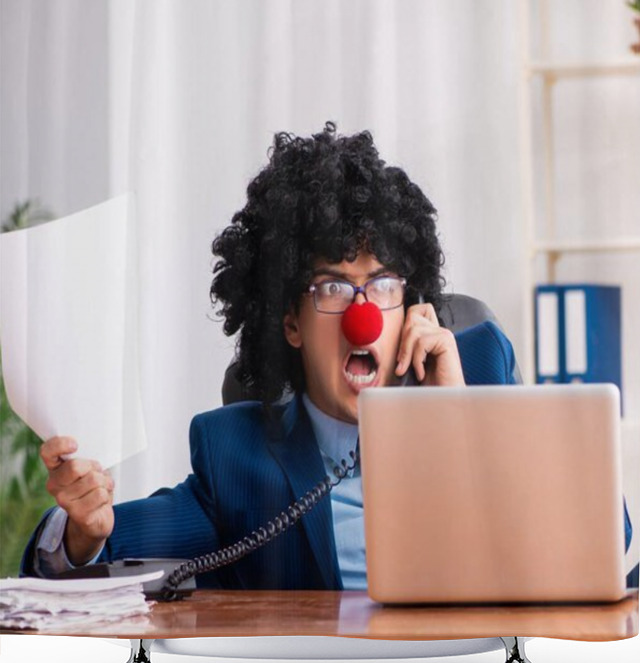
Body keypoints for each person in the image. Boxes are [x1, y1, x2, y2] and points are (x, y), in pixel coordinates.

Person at [20, 122, 540, 590]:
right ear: (291, 323)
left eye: (383, 285)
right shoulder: (238, 458)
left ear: (412, 308)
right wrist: (82, 531)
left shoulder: (481, 370)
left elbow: (607, 535)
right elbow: (102, 545)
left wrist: (461, 423)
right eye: (333, 289)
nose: (365, 316)